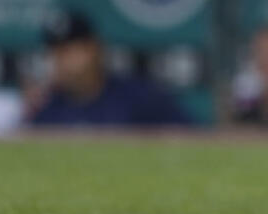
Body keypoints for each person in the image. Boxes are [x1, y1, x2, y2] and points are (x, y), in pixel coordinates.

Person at [27, 9, 189, 126]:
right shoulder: (48, 110)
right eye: (54, 53)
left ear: (93, 49)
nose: (59, 61)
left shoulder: (139, 99)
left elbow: (193, 139)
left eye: (67, 51)